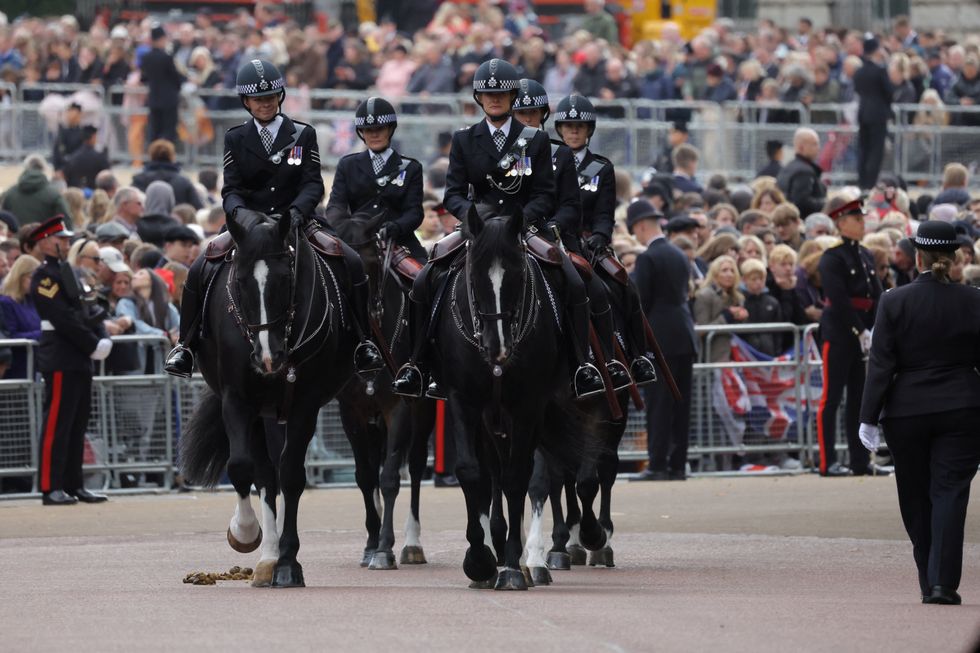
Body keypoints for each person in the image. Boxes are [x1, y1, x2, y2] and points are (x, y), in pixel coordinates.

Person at [164, 58, 382, 378]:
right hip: (249, 224)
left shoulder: (302, 134)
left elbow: (312, 184)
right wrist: (241, 214)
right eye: (258, 99)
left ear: (279, 97)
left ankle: (364, 341)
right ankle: (185, 345)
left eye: (270, 97)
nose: (265, 104)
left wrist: (295, 213)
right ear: (247, 102)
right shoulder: (235, 138)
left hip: (294, 221)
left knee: (349, 259)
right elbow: (232, 189)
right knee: (200, 266)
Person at [391, 59, 559, 398]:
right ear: (478, 98)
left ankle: (580, 363)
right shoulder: (465, 139)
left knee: (569, 275)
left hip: (520, 227)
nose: (494, 99)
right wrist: (472, 220)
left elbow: (545, 193)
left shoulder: (535, 141)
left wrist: (522, 220)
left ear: (512, 97)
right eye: (488, 93)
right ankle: (421, 365)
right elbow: (452, 192)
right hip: (477, 228)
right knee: (425, 278)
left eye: (501, 93)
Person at [859, 221, 980, 605]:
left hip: (907, 410)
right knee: (950, 494)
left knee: (914, 496)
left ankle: (929, 579)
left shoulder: (895, 300)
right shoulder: (974, 299)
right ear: (957, 257)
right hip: (963, 405)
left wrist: (867, 416)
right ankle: (942, 582)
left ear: (918, 257)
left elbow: (881, 365)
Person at [550, 91, 656, 385]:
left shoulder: (601, 168)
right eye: (568, 126)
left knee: (624, 284)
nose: (573, 131)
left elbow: (605, 212)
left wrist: (599, 236)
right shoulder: (549, 163)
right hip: (556, 238)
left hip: (590, 242)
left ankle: (636, 355)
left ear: (588, 131)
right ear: (559, 129)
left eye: (579, 126)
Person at [29, 215, 112, 505]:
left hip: (77, 355)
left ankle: (73, 483)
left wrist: (100, 328)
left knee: (77, 423)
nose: (65, 242)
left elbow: (84, 310)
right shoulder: (43, 276)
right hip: (63, 355)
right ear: (44, 243)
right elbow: (62, 319)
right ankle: (51, 486)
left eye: (66, 239)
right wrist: (92, 343)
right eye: (59, 239)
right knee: (57, 424)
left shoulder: (69, 273)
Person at [628, 199, 698, 481]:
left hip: (661, 338)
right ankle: (678, 465)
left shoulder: (647, 258)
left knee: (659, 404)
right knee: (681, 404)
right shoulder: (679, 254)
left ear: (642, 226)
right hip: (684, 334)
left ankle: (657, 464)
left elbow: (640, 301)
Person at [816, 198, 885, 477]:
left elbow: (876, 293)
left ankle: (860, 461)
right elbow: (839, 298)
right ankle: (827, 461)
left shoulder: (866, 254)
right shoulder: (832, 257)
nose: (862, 222)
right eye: (856, 219)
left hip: (863, 331)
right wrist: (860, 329)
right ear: (841, 222)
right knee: (831, 398)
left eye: (862, 218)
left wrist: (874, 327)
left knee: (858, 399)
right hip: (840, 331)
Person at [324, 97, 426, 260]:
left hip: (398, 241)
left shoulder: (411, 168)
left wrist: (397, 227)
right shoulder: (347, 165)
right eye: (368, 130)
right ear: (361, 133)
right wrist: (345, 229)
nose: (374, 134)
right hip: (355, 241)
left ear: (390, 129)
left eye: (380, 128)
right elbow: (336, 205)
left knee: (423, 277)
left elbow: (414, 212)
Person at [853, 35, 893, 189]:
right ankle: (870, 183)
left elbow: (857, 89)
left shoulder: (859, 71)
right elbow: (889, 92)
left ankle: (862, 181)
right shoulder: (880, 70)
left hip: (863, 112)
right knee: (876, 150)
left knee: (864, 148)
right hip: (878, 114)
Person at [0, 155, 72, 229]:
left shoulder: (9, 194)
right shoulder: (54, 194)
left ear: (25, 168)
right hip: (46, 238)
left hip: (17, 238)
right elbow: (66, 222)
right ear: (43, 169)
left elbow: (3, 221)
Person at [140, 25, 185, 144]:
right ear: (161, 39)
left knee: (154, 132)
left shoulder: (146, 58)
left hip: (154, 99)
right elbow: (176, 78)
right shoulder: (166, 58)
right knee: (168, 133)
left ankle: (154, 157)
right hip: (169, 100)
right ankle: (166, 158)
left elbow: (144, 78)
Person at [0, 254, 41, 378]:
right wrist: (42, 334)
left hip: (35, 366)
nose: (37, 283)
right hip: (17, 368)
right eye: (33, 278)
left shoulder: (33, 301)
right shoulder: (5, 302)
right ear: (20, 277)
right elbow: (10, 336)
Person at [132, 139, 204, 209]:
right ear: (172, 156)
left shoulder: (139, 180)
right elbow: (198, 207)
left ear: (151, 155)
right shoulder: (183, 182)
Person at [776, 128, 827, 218]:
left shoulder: (787, 167)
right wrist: (826, 203)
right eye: (814, 144)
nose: (818, 148)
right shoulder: (804, 172)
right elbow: (802, 202)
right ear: (801, 147)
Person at [62, 125, 110, 190]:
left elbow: (66, 175)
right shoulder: (99, 158)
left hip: (76, 194)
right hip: (95, 194)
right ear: (93, 137)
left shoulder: (73, 157)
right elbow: (107, 176)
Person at [51, 102, 86, 177]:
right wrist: (57, 170)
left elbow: (82, 154)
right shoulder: (62, 132)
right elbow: (56, 153)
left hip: (77, 172)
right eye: (68, 111)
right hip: (61, 173)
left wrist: (65, 169)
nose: (69, 114)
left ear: (79, 114)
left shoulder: (83, 133)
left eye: (72, 111)